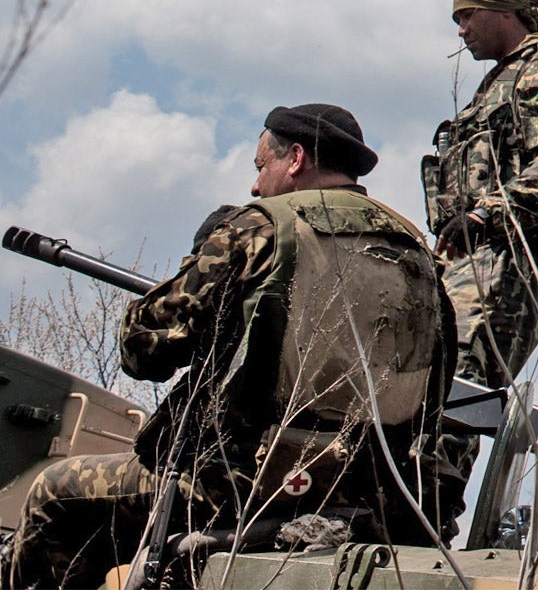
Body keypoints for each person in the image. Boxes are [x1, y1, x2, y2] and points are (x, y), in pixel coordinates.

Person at [4, 106, 451, 589]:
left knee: (55, 493)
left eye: (262, 167)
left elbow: (143, 352)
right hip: (365, 491)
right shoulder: (418, 252)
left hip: (231, 485)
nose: (257, 186)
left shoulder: (261, 225)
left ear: (295, 158)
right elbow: (437, 384)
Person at [424, 0, 538, 527]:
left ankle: (429, 513)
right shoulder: (497, 80)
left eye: (467, 16)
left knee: (458, 395)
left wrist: (486, 212)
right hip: (465, 261)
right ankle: (416, 504)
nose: (461, 31)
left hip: (504, 262)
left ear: (503, 12)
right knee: (425, 391)